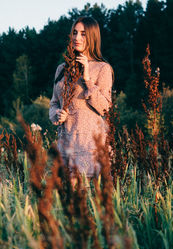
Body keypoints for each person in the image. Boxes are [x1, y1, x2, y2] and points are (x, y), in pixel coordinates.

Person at [49, 16, 113, 179]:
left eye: (83, 34)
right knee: (65, 199)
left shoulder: (102, 68)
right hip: (65, 145)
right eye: (75, 33)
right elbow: (54, 103)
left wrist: (87, 79)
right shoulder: (61, 69)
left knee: (89, 198)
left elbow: (105, 107)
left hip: (89, 146)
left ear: (92, 37)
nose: (77, 38)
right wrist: (57, 114)